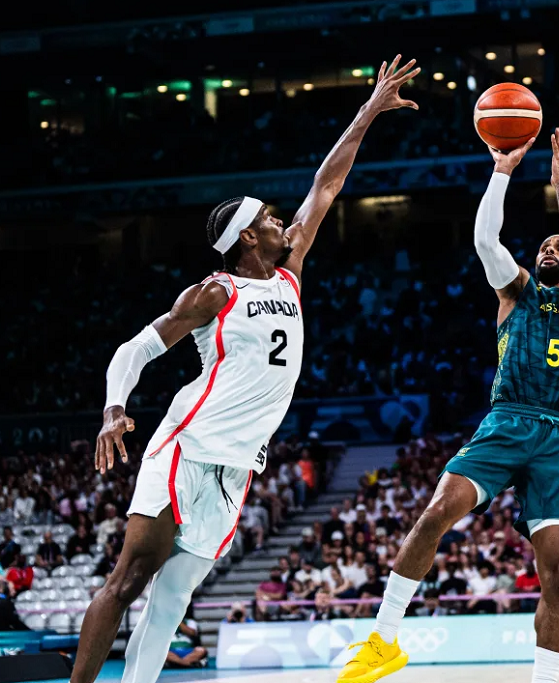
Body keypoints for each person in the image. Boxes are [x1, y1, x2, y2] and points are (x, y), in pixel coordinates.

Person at [68, 54, 421, 683]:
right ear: (248, 238)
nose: (283, 221)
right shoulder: (215, 291)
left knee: (172, 602)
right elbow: (134, 350)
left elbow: (326, 186)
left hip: (236, 469)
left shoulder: (289, 273)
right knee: (128, 580)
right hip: (187, 447)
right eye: (268, 219)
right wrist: (113, 409)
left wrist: (368, 111)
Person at [339, 127, 559, 683]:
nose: (549, 250)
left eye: (556, 245)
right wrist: (502, 172)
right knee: (436, 512)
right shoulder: (517, 293)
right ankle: (383, 640)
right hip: (506, 420)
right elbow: (487, 243)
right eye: (543, 247)